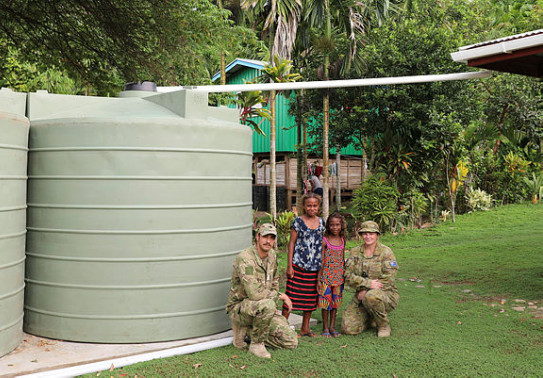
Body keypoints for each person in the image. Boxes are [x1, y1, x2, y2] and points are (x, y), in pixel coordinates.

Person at [226, 223, 298, 358]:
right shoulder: (246, 258)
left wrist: (274, 304)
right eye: (265, 237)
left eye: (272, 238)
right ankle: (256, 344)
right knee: (268, 305)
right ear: (258, 237)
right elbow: (254, 293)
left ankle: (248, 330)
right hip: (240, 308)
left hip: (263, 306)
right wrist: (281, 297)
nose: (268, 241)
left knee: (291, 341)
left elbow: (275, 282)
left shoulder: (272, 256)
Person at [341, 221, 399, 338]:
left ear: (377, 235)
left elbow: (389, 278)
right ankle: (369, 317)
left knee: (371, 297)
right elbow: (347, 275)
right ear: (361, 235)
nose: (368, 237)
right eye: (365, 233)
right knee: (348, 328)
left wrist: (367, 290)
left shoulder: (386, 252)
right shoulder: (355, 252)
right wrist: (367, 284)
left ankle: (383, 325)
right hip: (361, 295)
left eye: (371, 234)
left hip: (385, 295)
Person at [282, 193, 325, 337]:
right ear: (303, 206)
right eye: (309, 205)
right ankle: (282, 327)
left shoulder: (322, 222)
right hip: (298, 265)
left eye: (314, 206)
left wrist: (321, 270)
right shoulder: (298, 222)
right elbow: (292, 243)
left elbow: (322, 245)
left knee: (310, 298)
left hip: (314, 267)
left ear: (318, 207)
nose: (311, 208)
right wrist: (289, 266)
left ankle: (305, 328)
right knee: (291, 296)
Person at [317, 212, 346, 338]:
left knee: (335, 303)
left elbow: (343, 258)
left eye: (337, 225)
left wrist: (344, 274)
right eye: (332, 225)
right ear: (328, 226)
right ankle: (325, 327)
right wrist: (319, 279)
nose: (335, 227)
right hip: (326, 277)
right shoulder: (325, 240)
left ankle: (332, 326)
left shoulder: (342, 240)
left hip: (339, 277)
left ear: (341, 225)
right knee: (325, 304)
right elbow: (321, 261)